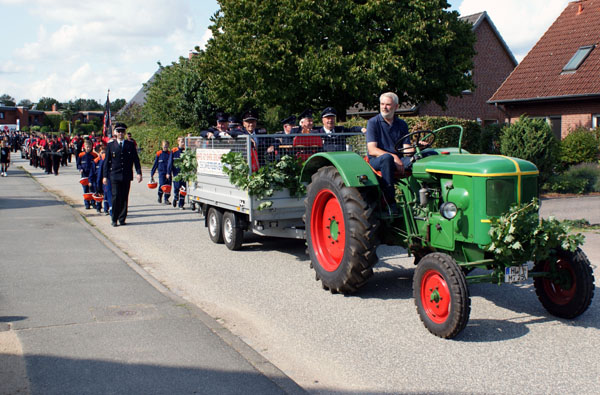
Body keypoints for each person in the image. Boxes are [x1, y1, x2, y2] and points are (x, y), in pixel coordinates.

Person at [366, 92, 412, 214]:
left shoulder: (401, 124)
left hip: (398, 159)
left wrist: (418, 149)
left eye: (388, 105)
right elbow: (372, 149)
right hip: (378, 160)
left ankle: (418, 199)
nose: (384, 107)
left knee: (421, 158)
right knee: (387, 158)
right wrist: (394, 157)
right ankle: (390, 202)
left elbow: (406, 149)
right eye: (382, 104)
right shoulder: (373, 123)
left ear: (396, 107)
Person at [102, 122, 142, 227]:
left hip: (126, 175)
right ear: (115, 132)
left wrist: (139, 173)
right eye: (119, 131)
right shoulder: (111, 145)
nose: (120, 133)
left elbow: (136, 160)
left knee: (124, 197)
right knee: (115, 197)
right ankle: (114, 218)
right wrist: (105, 176)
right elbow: (107, 162)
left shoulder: (130, 145)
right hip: (115, 175)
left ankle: (122, 218)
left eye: (122, 131)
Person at [77, 139, 98, 209]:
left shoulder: (94, 155)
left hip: (92, 175)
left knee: (92, 189)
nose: (88, 148)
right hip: (84, 175)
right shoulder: (81, 155)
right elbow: (78, 164)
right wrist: (80, 169)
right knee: (85, 189)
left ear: (91, 147)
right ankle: (87, 203)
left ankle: (93, 202)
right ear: (84, 147)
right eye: (87, 147)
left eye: (89, 147)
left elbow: (96, 164)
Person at [150, 140, 172, 204]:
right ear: (162, 146)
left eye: (166, 145)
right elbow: (155, 164)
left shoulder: (170, 154)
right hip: (161, 172)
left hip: (168, 172)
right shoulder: (159, 153)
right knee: (162, 185)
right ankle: (160, 196)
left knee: (168, 186)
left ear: (168, 146)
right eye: (164, 145)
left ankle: (166, 199)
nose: (165, 146)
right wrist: (152, 174)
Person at [168, 137, 186, 209]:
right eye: (181, 141)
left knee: (183, 188)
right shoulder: (174, 151)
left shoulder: (186, 151)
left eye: (184, 141)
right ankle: (175, 198)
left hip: (184, 174)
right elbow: (170, 162)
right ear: (178, 142)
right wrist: (168, 172)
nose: (183, 143)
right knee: (176, 187)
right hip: (176, 173)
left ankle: (181, 204)